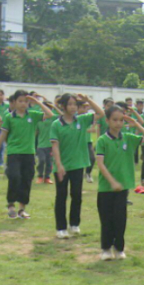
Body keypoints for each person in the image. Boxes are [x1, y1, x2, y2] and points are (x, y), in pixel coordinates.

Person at [95, 106, 144, 261]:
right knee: (107, 219)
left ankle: (119, 248)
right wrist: (112, 181)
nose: (118, 123)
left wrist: (136, 124)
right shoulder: (102, 140)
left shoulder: (128, 137)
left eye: (121, 120)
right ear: (107, 121)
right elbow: (100, 164)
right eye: (114, 120)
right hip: (106, 188)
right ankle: (106, 249)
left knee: (120, 219)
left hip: (123, 187)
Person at [0, 91, 53, 219]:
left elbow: (50, 114)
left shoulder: (33, 115)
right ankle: (11, 205)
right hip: (14, 153)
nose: (23, 104)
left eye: (26, 101)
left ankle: (21, 209)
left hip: (29, 153)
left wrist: (37, 102)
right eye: (20, 101)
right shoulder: (9, 117)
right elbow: (3, 135)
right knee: (14, 177)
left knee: (26, 179)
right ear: (14, 102)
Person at [50, 94, 105, 238]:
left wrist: (88, 101)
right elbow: (55, 146)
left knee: (77, 195)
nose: (73, 107)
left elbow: (101, 113)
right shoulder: (56, 124)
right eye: (70, 104)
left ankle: (74, 224)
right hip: (62, 167)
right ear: (63, 106)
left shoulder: (82, 120)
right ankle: (60, 228)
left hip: (78, 164)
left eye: (75, 104)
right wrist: (59, 165)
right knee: (61, 196)